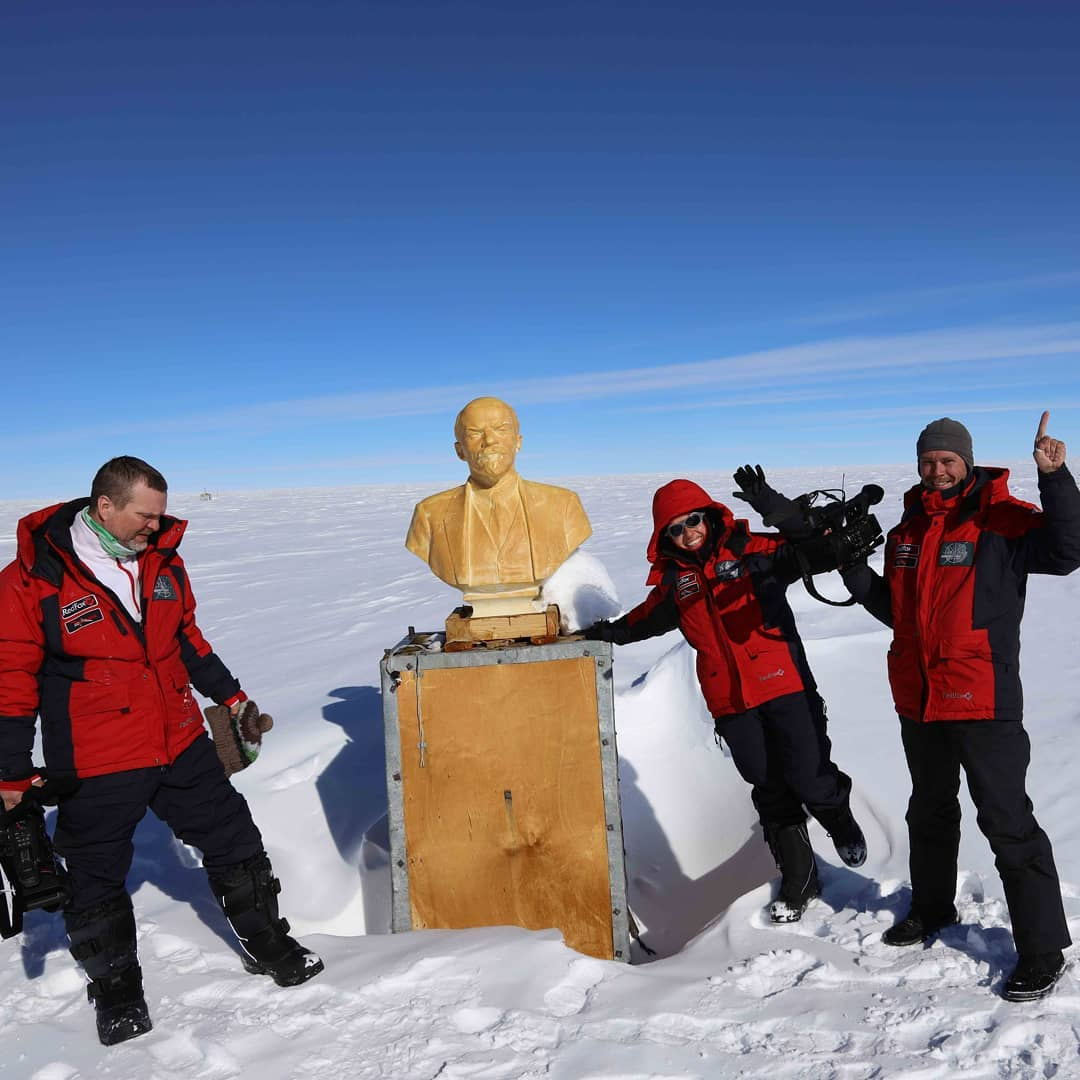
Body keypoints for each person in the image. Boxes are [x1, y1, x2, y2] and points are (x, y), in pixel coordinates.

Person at [0, 457, 323, 1046]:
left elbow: (187, 639)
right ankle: (117, 991)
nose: (156, 526)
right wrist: (11, 771)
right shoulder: (33, 579)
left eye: (159, 515)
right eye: (145, 516)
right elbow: (12, 679)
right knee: (95, 876)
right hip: (97, 755)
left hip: (178, 739)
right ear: (105, 506)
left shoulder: (164, 562)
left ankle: (269, 944)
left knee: (235, 840)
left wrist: (231, 695)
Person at [841, 413, 1079, 1002]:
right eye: (928, 461)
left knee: (1007, 823)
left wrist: (1055, 477)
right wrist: (851, 568)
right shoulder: (906, 531)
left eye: (948, 460)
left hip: (982, 698)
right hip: (920, 699)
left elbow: (1069, 549)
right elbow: (897, 612)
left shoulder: (1000, 520)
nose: (938, 469)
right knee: (929, 811)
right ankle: (931, 909)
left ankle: (1043, 951)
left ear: (966, 463)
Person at [585, 471, 866, 923]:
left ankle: (839, 819)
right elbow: (643, 620)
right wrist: (603, 633)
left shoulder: (753, 551)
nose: (687, 533)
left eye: (692, 521)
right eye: (674, 529)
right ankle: (800, 878)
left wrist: (783, 514)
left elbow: (810, 550)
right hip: (730, 701)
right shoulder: (678, 583)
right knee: (767, 783)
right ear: (664, 537)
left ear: (708, 517)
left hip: (784, 682)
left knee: (810, 776)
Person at [405, 397, 592, 615]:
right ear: (460, 451)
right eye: (475, 432)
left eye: (501, 429)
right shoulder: (429, 515)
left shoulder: (563, 505)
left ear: (518, 441)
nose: (490, 440)